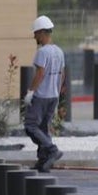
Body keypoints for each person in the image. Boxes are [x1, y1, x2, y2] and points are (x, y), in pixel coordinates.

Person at [23, 15, 66, 172]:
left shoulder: (42, 52)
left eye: (36, 33)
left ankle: (52, 150)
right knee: (42, 128)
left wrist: (30, 92)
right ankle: (43, 161)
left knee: (30, 126)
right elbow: (62, 75)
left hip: (41, 97)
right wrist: (57, 94)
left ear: (42, 32)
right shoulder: (59, 52)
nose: (34, 37)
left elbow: (40, 73)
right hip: (53, 96)